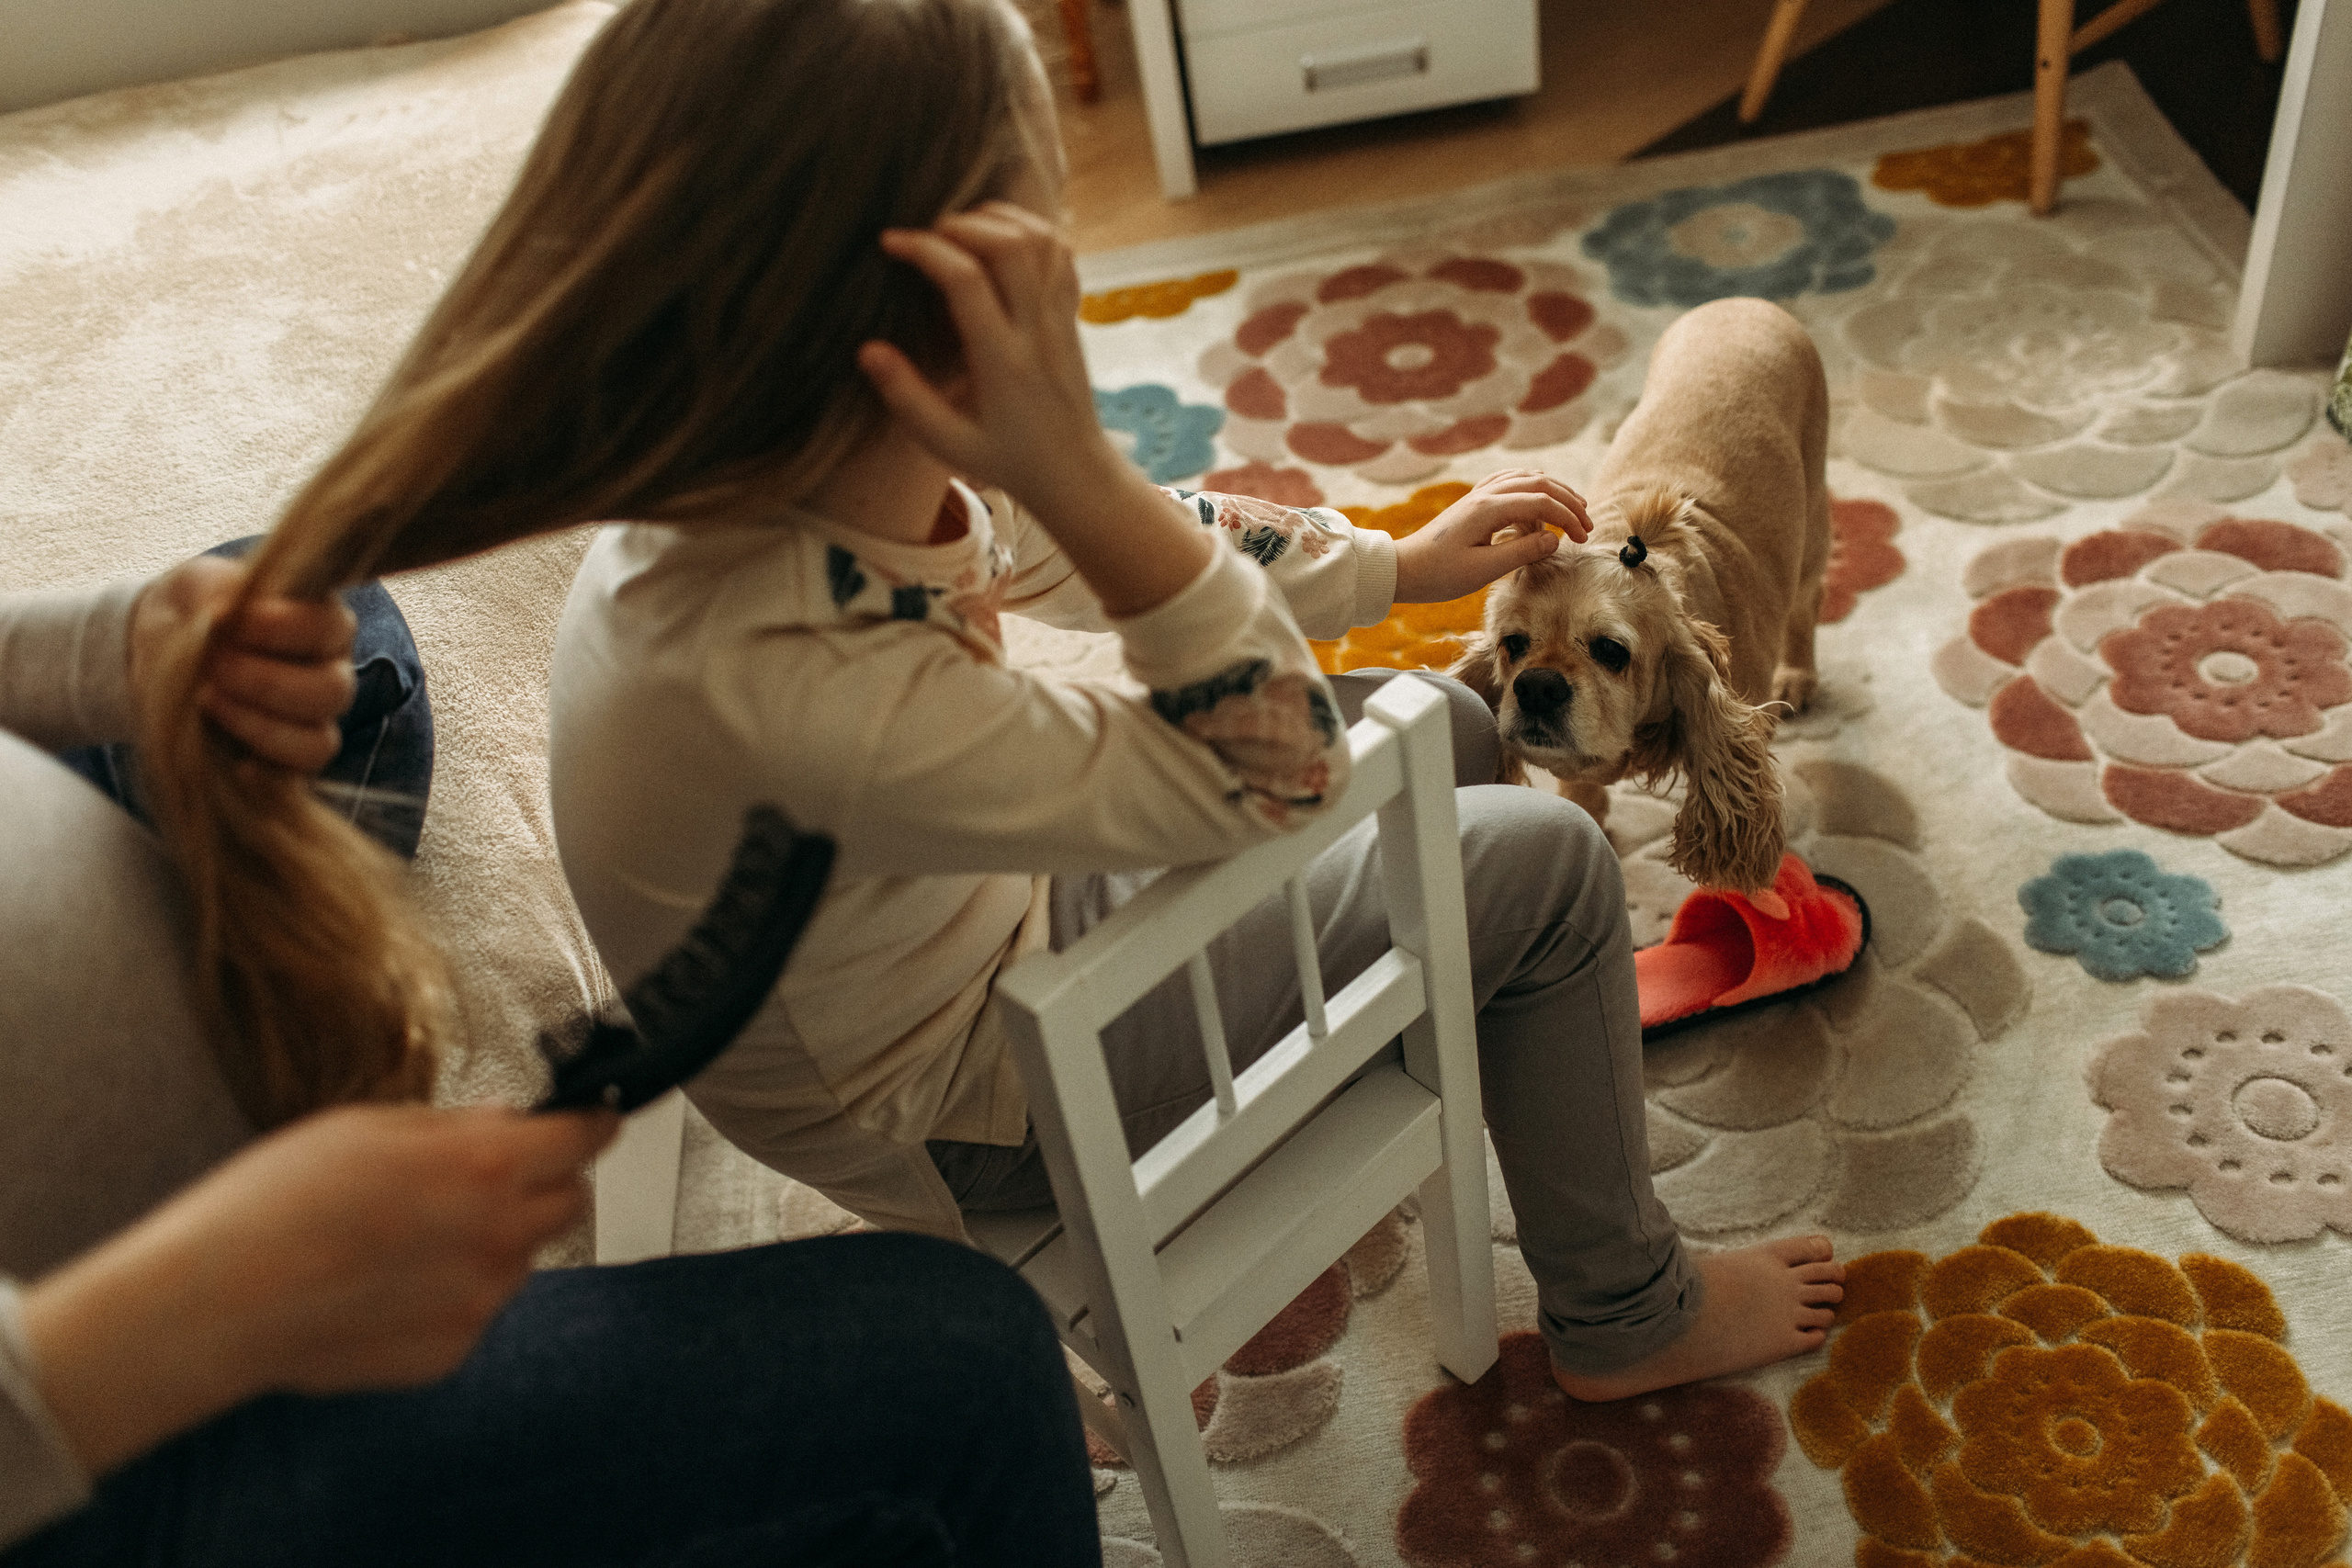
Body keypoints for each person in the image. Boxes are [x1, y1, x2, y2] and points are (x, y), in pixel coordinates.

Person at [525, 0, 1847, 1408]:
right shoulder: (797, 668)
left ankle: (1465, 1021)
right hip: (977, 1091)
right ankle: (1627, 1311)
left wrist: (1392, 561)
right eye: (1042, 246)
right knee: (1552, 860)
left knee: (1446, 726)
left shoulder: (815, 470)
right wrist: (1068, 454)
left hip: (975, 925)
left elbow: (1137, 543)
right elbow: (1263, 752)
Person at [0, 566, 1100, 1565]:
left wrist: (98, 650)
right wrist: (187, 1309)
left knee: (331, 627)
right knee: (967, 1369)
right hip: (94, 1445)